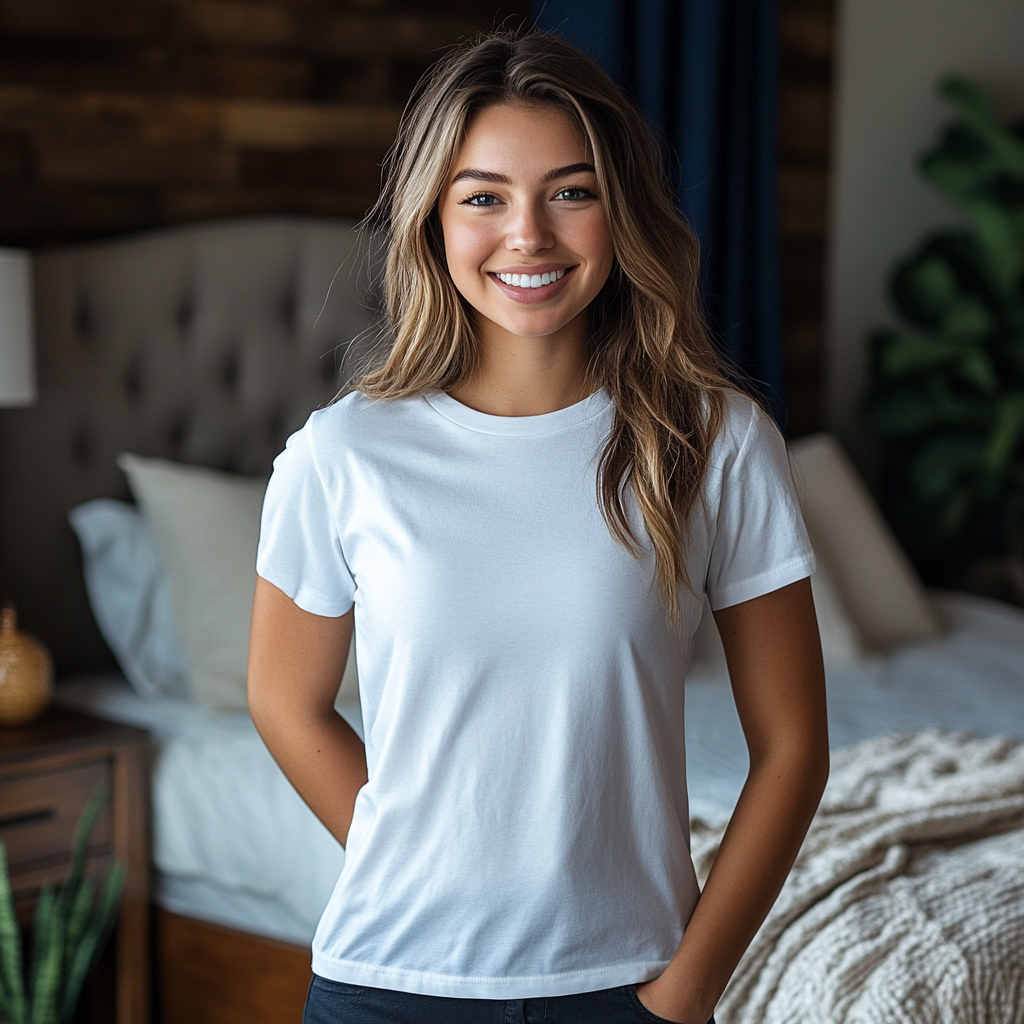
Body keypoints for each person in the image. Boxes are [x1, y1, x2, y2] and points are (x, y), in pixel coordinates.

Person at [248, 30, 829, 1024]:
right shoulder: (342, 455)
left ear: (621, 211)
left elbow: (794, 747)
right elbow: (283, 700)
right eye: (483, 197)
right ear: (432, 219)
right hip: (388, 987)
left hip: (628, 990)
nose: (529, 234)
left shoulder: (713, 439)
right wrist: (415, 852)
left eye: (570, 191)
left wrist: (686, 991)